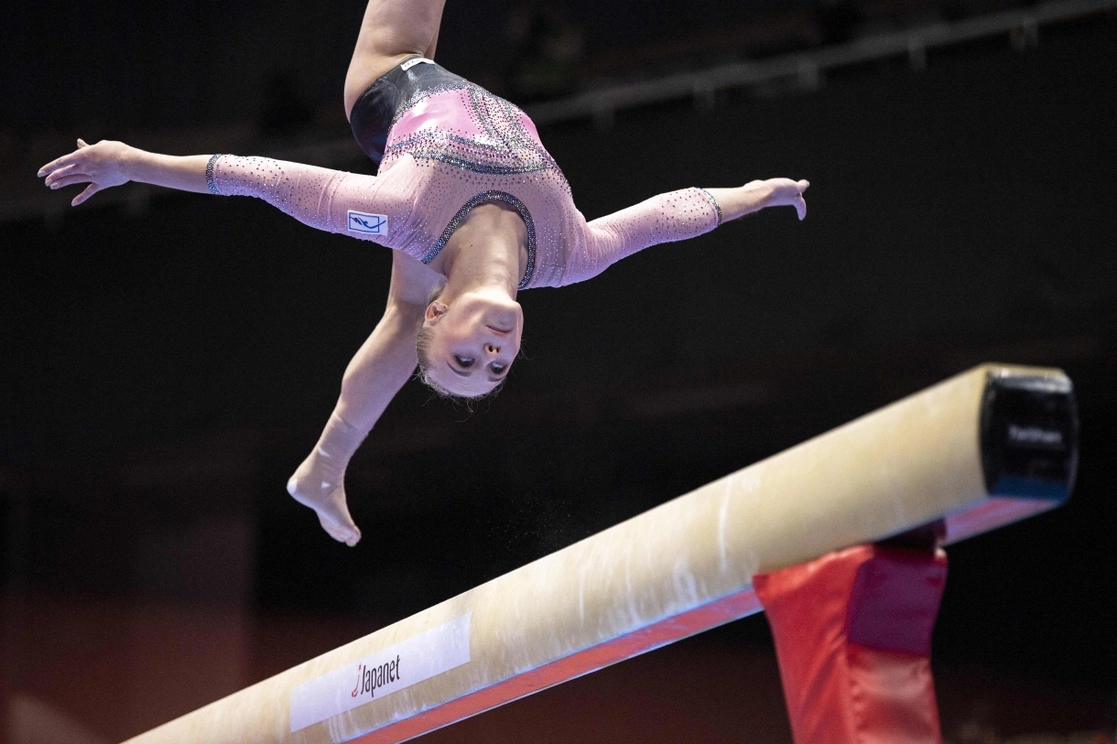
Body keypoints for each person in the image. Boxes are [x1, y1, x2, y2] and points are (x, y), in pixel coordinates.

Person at [38, 0, 810, 547]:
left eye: (465, 359)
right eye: (497, 367)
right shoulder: (570, 255)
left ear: (445, 320)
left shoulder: (393, 212)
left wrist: (132, 163)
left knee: (399, 311)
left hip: (393, 82)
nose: (494, 350)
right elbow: (668, 217)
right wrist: (757, 194)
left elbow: (260, 177)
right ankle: (321, 472)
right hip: (453, 211)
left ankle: (325, 466)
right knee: (397, 318)